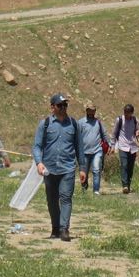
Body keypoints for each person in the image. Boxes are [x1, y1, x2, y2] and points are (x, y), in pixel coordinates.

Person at [32, 92, 80, 241]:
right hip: (50, 169)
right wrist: (39, 163)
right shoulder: (45, 124)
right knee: (52, 200)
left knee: (65, 198)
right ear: (52, 107)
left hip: (68, 168)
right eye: (60, 105)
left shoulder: (73, 124)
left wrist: (83, 168)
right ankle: (55, 228)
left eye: (65, 105)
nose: (63, 108)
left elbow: (79, 147)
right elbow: (37, 146)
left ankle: (64, 229)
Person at [75, 101, 110, 196]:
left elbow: (104, 134)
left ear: (95, 111)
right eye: (89, 110)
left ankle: (96, 190)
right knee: (84, 172)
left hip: (97, 150)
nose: (91, 113)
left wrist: (110, 144)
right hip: (84, 152)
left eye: (93, 111)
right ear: (86, 111)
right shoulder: (81, 123)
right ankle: (84, 188)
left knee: (96, 169)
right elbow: (76, 137)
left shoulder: (98, 122)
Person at [112, 103, 139, 194]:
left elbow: (137, 131)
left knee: (130, 167)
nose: (126, 114)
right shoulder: (119, 120)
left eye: (128, 113)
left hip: (132, 147)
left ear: (132, 113)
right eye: (125, 112)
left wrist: (138, 133)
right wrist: (112, 145)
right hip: (122, 146)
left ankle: (128, 185)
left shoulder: (135, 120)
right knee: (124, 165)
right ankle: (125, 185)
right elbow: (114, 133)